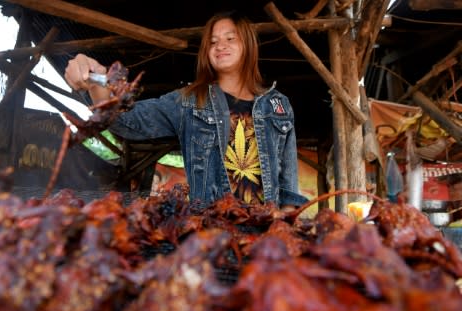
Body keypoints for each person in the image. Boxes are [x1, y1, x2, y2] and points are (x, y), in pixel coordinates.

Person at [64, 10, 308, 211]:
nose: (220, 45)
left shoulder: (278, 104)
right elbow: (126, 122)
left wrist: (285, 227)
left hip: (267, 235)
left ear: (249, 44)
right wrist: (95, 80)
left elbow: (288, 183)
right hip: (210, 233)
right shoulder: (189, 100)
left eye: (230, 38)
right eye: (212, 42)